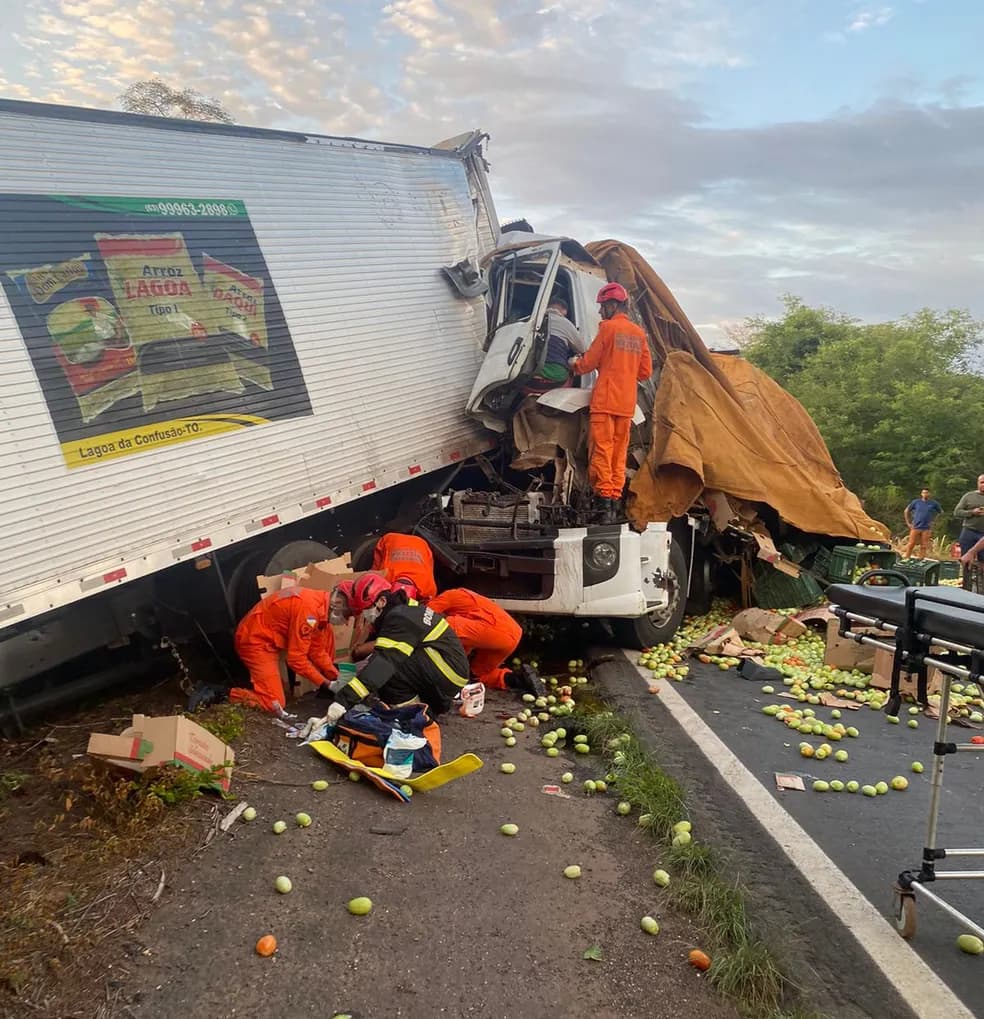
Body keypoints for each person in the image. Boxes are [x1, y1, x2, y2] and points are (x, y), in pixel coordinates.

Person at [324, 574, 470, 722]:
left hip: (447, 674)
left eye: (367, 609)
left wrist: (343, 702)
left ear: (382, 601)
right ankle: (428, 705)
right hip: (448, 670)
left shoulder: (400, 618)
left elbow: (384, 663)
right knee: (383, 664)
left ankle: (412, 716)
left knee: (387, 672)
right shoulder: (404, 609)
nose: (366, 615)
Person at [569, 282, 652, 523]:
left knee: (602, 452)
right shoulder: (638, 333)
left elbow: (587, 363)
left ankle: (603, 506)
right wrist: (625, 366)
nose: (600, 312)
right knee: (618, 455)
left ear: (612, 305)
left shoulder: (608, 329)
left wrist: (574, 364)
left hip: (605, 401)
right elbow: (645, 372)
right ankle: (613, 504)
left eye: (602, 307)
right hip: (626, 405)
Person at [189, 587, 337, 714]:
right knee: (274, 704)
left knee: (276, 697)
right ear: (340, 603)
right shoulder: (310, 613)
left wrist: (336, 677)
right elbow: (296, 660)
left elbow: (316, 649)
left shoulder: (319, 609)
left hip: (265, 640)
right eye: (349, 614)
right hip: (255, 642)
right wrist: (326, 683)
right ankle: (219, 692)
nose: (348, 620)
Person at [428, 587, 546, 698]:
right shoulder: (469, 600)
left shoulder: (448, 596)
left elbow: (425, 619)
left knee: (442, 628)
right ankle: (517, 680)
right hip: (513, 634)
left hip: (495, 631)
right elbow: (467, 640)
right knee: (477, 675)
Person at [524, 297, 586, 395]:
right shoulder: (566, 323)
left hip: (528, 379)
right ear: (563, 311)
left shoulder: (530, 320)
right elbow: (582, 349)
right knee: (571, 372)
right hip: (555, 378)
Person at [372, 532, 437, 601]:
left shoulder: (429, 589)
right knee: (374, 573)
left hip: (421, 543)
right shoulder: (383, 577)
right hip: (391, 539)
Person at [903, 488, 943, 558]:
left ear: (929, 494)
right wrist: (908, 523)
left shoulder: (933, 503)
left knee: (924, 545)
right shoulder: (916, 502)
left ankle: (921, 560)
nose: (925, 494)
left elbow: (941, 512)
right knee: (911, 544)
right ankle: (906, 558)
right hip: (916, 526)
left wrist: (934, 521)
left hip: (926, 528)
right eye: (923, 493)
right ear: (921, 494)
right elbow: (906, 511)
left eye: (926, 493)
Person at [953, 475, 984, 559]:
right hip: (969, 531)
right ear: (978, 483)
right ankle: (966, 572)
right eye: (982, 482)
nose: (983, 485)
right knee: (966, 559)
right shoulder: (969, 496)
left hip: (983, 534)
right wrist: (972, 512)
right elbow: (957, 512)